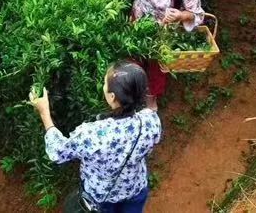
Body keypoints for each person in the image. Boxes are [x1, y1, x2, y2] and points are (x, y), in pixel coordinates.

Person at [82, 0, 205, 109]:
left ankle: (150, 99)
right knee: (132, 56)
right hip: (138, 21)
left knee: (156, 67)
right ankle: (126, 98)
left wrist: (180, 15)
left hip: (162, 32)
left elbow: (196, 14)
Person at [29, 61, 162, 213]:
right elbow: (149, 146)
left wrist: (44, 112)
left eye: (105, 83)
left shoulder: (91, 134)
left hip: (100, 199)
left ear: (112, 97)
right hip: (135, 190)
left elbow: (58, 152)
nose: (103, 86)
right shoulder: (151, 121)